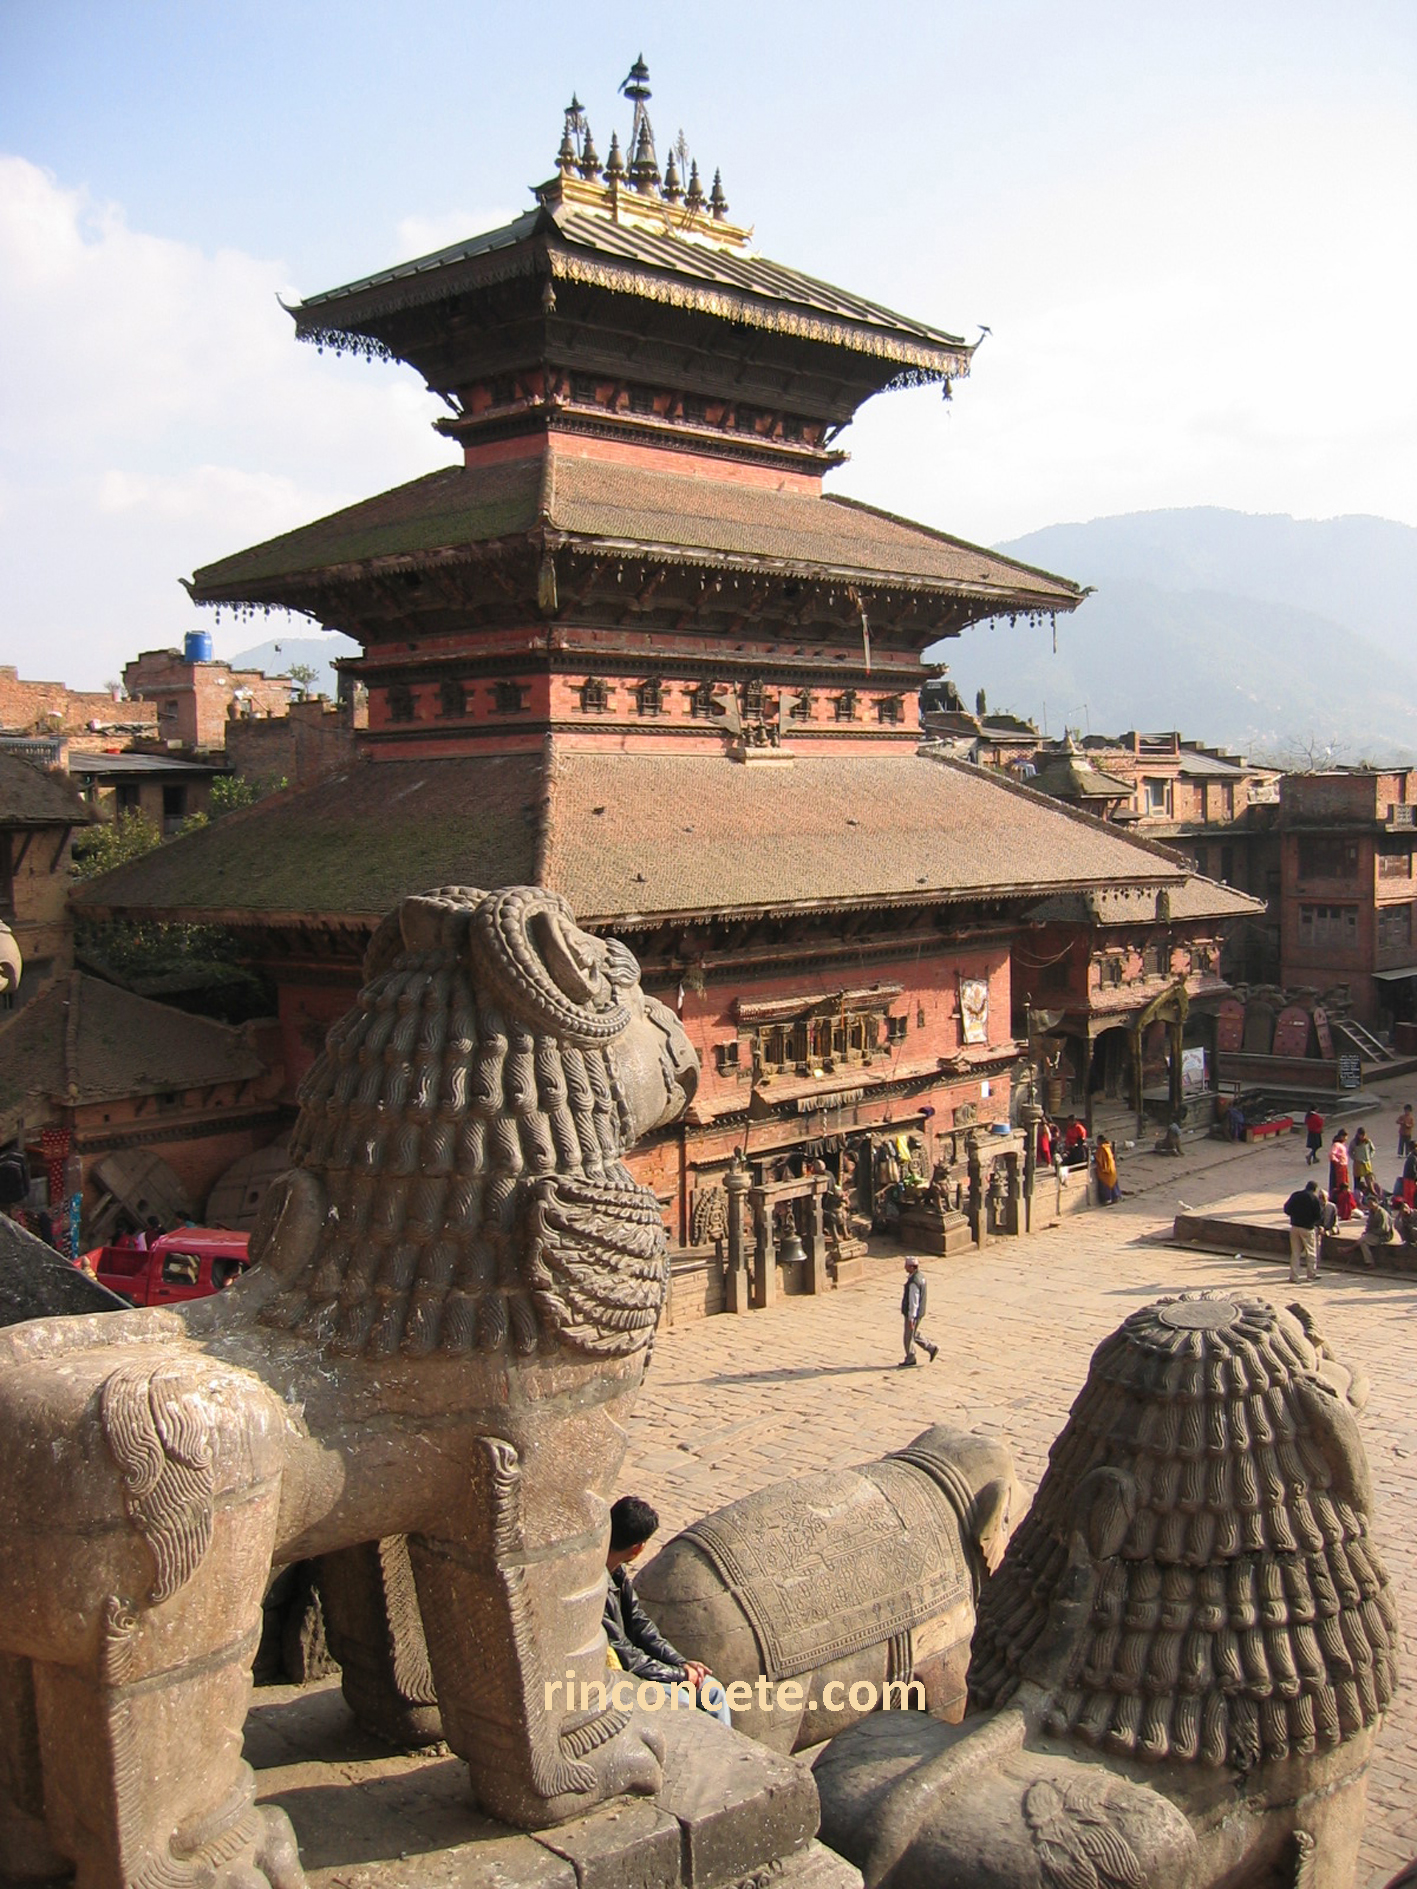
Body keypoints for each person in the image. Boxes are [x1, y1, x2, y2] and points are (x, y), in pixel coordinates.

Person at [603, 1496, 731, 1726]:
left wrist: (682, 1664)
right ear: (638, 1548)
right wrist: (679, 1675)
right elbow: (624, 1654)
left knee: (712, 1691)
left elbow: (640, 1624)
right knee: (680, 1699)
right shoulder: (594, 1585)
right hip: (619, 1676)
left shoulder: (618, 1575)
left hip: (645, 1667)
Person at [899, 1257, 938, 1367]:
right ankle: (931, 1348)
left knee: (908, 1337)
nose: (905, 1267)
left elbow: (913, 1301)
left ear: (912, 1267)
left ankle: (910, 1357)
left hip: (913, 1314)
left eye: (906, 1265)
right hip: (919, 1312)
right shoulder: (920, 1277)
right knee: (913, 1333)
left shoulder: (913, 1283)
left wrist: (911, 1317)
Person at [1283, 1180, 1324, 1284]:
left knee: (1295, 1253)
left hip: (1295, 1226)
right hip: (1307, 1228)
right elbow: (1318, 1216)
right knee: (1311, 1252)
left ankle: (1294, 1276)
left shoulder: (1295, 1195)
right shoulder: (1314, 1199)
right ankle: (1311, 1274)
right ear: (1314, 1189)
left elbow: (1286, 1209)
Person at [1358, 1197, 1396, 1270]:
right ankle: (1370, 1262)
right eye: (1368, 1204)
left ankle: (1350, 1249)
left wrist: (1371, 1232)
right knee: (1363, 1243)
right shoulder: (1371, 1212)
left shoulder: (1382, 1213)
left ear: (1376, 1203)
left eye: (1371, 1204)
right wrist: (1367, 1231)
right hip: (1374, 1234)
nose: (1370, 1205)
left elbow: (1384, 1229)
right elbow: (1369, 1224)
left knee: (1363, 1240)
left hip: (1384, 1236)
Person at [1093, 1135, 1121, 1205]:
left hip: (1105, 1170)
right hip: (1112, 1169)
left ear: (1100, 1141)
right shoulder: (1108, 1147)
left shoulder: (1102, 1148)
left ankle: (1107, 1199)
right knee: (1113, 1183)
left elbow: (1098, 1158)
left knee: (1105, 1185)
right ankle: (1116, 1197)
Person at [1351, 1126, 1376, 1194]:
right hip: (1358, 1163)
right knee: (1357, 1179)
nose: (1362, 1137)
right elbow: (1350, 1151)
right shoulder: (1354, 1142)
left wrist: (1370, 1156)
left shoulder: (1367, 1141)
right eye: (1361, 1135)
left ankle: (1371, 1191)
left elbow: (1373, 1149)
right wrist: (1354, 1158)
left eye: (1364, 1135)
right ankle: (1356, 1192)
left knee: (1369, 1179)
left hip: (1367, 1162)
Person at [1327, 1130, 1350, 1200]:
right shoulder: (1336, 1144)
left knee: (1344, 1181)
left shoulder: (1341, 1144)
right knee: (1339, 1182)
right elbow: (1331, 1154)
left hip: (1343, 1166)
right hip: (1339, 1166)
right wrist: (1337, 1162)